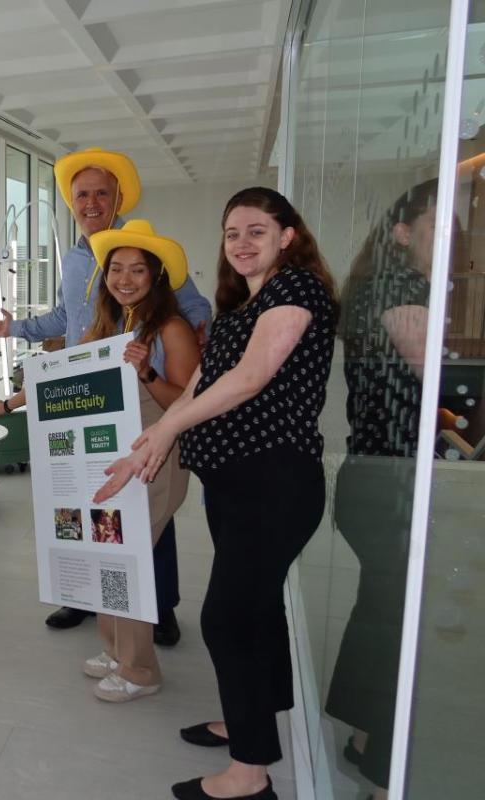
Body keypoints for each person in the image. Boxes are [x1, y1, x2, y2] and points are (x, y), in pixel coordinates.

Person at [94, 187, 338, 800]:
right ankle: (250, 717)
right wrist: (145, 448)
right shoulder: (238, 305)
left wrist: (164, 430)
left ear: (287, 235)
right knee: (257, 611)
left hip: (273, 482)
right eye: (232, 233)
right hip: (233, 485)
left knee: (227, 619)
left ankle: (250, 774)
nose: (242, 243)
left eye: (257, 230)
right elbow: (201, 385)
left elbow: (250, 380)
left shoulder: (297, 291)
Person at [0, 147, 211, 642]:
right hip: (84, 393)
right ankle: (83, 596)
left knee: (148, 505)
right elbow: (65, 319)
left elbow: (190, 303)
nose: (90, 202)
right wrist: (14, 328)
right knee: (82, 496)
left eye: (100, 193)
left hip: (140, 396)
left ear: (117, 198)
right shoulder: (74, 259)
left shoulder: (134, 246)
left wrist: (202, 331)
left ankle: (160, 606)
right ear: (71, 201)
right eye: (81, 194)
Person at [325, 180, 443, 800]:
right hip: (393, 485)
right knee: (400, 628)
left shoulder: (387, 286)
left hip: (380, 481)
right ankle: (380, 781)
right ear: (402, 232)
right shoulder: (400, 290)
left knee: (382, 615)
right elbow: (440, 385)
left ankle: (366, 740)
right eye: (438, 218)